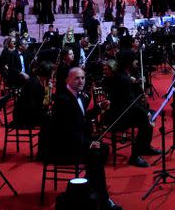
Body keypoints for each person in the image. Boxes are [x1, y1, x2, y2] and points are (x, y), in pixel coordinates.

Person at [49, 67, 121, 209]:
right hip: (65, 144)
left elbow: (82, 118)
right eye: (76, 78)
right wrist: (88, 143)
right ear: (67, 80)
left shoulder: (80, 96)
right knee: (96, 154)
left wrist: (99, 107)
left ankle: (92, 184)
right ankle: (103, 198)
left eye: (82, 78)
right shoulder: (62, 100)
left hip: (78, 139)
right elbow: (66, 130)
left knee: (104, 149)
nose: (80, 81)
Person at [104, 51, 159, 167]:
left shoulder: (126, 74)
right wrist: (145, 112)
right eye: (134, 60)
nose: (137, 61)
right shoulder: (123, 78)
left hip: (125, 109)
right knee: (145, 120)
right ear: (128, 63)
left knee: (151, 114)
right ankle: (134, 156)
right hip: (118, 114)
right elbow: (130, 102)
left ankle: (145, 146)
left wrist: (137, 85)